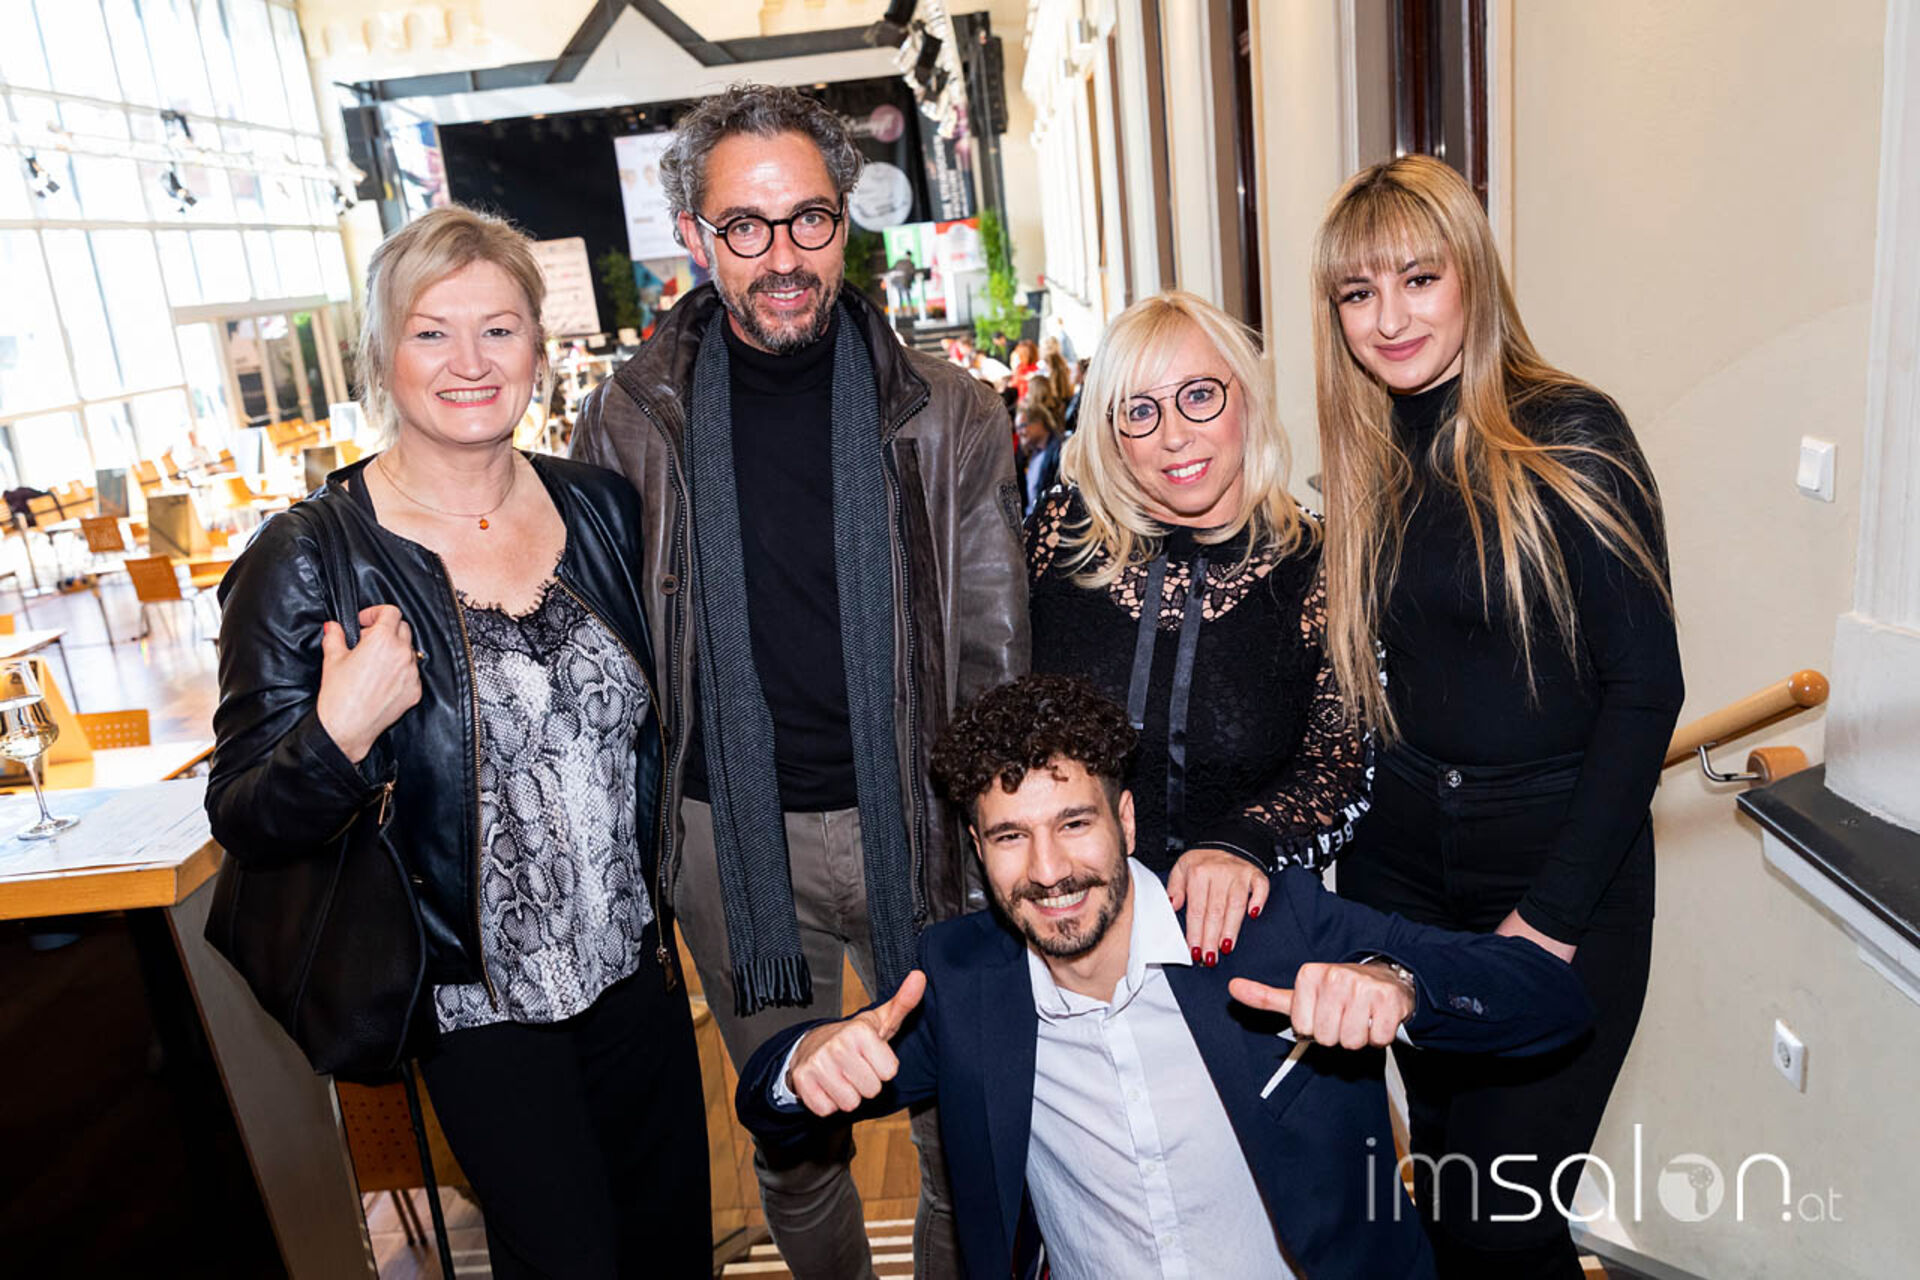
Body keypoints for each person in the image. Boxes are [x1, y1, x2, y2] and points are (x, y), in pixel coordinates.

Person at [569, 83, 1029, 1279]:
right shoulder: (627, 423)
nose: (783, 257)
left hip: (926, 823)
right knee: (794, 1136)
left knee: (961, 1129)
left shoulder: (950, 411)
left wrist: (999, 825)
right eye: (746, 225)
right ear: (697, 236)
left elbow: (995, 649)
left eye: (809, 219)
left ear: (846, 220)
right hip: (729, 845)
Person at [206, 206, 708, 1278]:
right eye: (431, 332)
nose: (470, 362)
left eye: (499, 329)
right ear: (382, 355)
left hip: (638, 976)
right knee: (571, 1262)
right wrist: (340, 731)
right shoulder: (309, 558)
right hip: (475, 1004)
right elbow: (244, 812)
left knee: (670, 1255)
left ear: (539, 346)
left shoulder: (602, 508)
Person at [736, 675, 1596, 1280]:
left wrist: (1400, 984)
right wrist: (805, 1060)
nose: (1048, 871)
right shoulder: (966, 982)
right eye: (1010, 837)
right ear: (977, 848)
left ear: (1127, 819)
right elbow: (767, 1099)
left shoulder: (1270, 930)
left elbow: (1550, 997)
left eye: (1074, 824)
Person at [1309, 154, 1683, 1277]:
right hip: (1403, 886)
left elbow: (1645, 689)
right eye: (1359, 293)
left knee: (1500, 1224)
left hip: (1558, 878)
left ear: (1472, 273)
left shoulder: (1569, 432)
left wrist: (1550, 917)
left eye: (1419, 279)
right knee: (1451, 1195)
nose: (1390, 319)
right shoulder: (1365, 452)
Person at [1028, 290, 1371, 966]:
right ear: (1111, 430)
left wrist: (1243, 843)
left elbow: (1340, 768)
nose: (1174, 434)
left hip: (1245, 941)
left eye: (1199, 396)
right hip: (1069, 941)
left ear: (1245, 396)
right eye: (1141, 410)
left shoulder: (1322, 564)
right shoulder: (1058, 536)